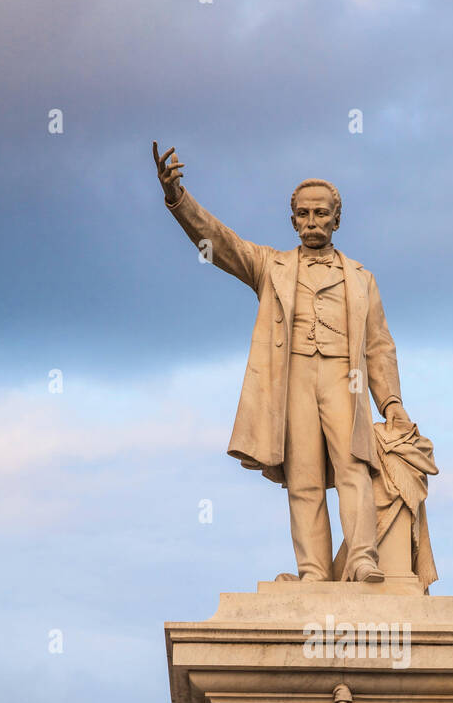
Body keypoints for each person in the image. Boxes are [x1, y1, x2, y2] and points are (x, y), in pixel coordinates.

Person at [153, 143, 412, 583]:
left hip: (343, 379)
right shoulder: (271, 267)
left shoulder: (361, 279)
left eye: (321, 213)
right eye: (304, 214)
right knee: (304, 477)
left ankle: (362, 559)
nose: (312, 222)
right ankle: (313, 572)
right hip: (291, 378)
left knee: (355, 468)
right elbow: (219, 243)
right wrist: (179, 199)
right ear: (293, 220)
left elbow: (378, 346)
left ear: (337, 219)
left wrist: (391, 403)